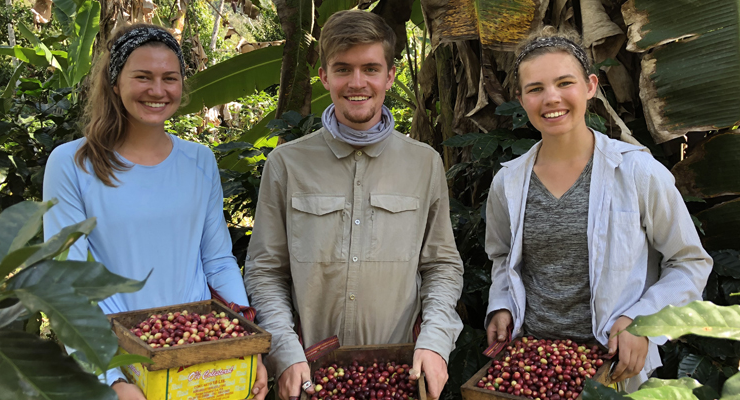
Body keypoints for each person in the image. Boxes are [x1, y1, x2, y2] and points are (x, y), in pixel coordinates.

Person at [243, 10, 464, 400]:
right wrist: (284, 351)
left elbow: (441, 265)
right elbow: (265, 271)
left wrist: (434, 341)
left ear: (390, 75)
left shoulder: (424, 162)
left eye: (370, 68)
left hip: (398, 377)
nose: (357, 83)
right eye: (343, 69)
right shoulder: (287, 163)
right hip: (307, 376)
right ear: (325, 76)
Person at [42, 24, 268, 400]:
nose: (157, 90)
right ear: (115, 82)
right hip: (119, 361)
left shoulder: (199, 160)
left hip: (200, 354)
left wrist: (245, 348)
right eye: (142, 77)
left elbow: (217, 261)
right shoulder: (73, 163)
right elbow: (67, 283)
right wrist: (112, 380)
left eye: (170, 78)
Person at [483, 27, 713, 392]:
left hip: (613, 367)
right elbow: (501, 258)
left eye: (564, 82)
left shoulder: (638, 171)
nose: (551, 98)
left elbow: (689, 263)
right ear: (521, 98)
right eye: (536, 88)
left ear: (590, 86)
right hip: (534, 365)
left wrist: (641, 322)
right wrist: (502, 306)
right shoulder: (507, 183)